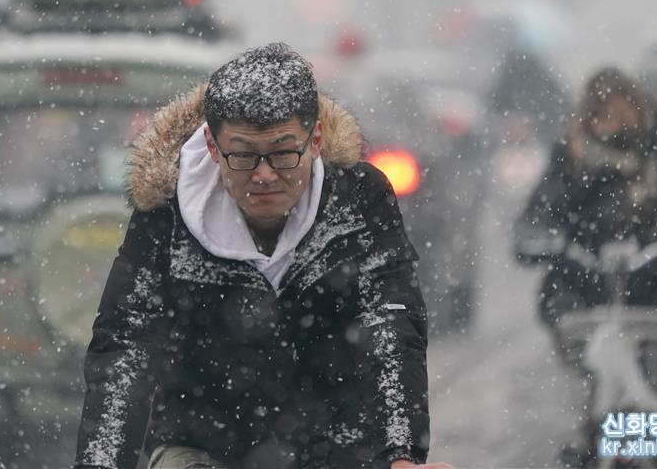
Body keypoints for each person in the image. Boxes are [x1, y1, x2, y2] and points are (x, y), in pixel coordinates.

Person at [73, 43, 453, 469]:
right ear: (212, 147)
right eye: (243, 155)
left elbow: (390, 322)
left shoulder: (359, 198)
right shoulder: (168, 215)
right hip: (204, 447)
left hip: (340, 445)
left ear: (316, 140)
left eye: (283, 152)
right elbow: (126, 346)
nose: (265, 174)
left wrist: (399, 453)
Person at [514, 67, 657, 466]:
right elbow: (535, 221)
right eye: (601, 112)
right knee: (580, 355)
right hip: (582, 291)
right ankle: (590, 417)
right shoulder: (570, 159)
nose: (611, 123)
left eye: (620, 112)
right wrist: (558, 245)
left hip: (656, 287)